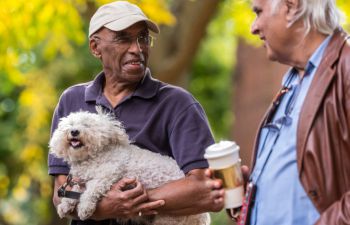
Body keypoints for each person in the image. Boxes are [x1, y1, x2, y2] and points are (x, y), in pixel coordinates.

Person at [48, 1, 224, 225]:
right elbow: (60, 192)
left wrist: (133, 203)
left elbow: (206, 188)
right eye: (123, 38)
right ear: (95, 47)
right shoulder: (71, 101)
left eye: (143, 38)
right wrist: (101, 208)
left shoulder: (178, 103)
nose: (137, 48)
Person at [245, 0, 350, 224]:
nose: (253, 27)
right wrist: (251, 193)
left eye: (258, 12)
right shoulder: (291, 82)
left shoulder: (346, 68)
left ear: (291, 7)